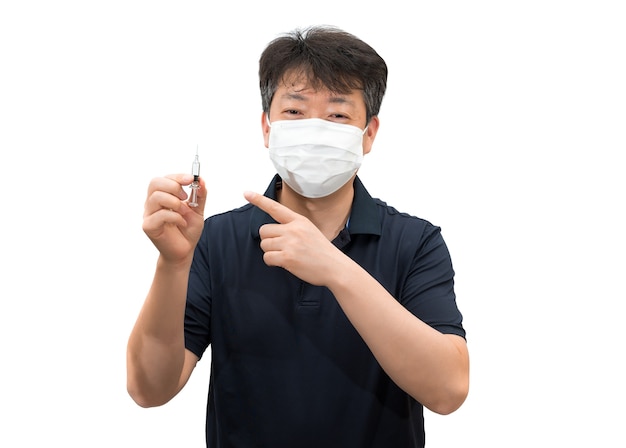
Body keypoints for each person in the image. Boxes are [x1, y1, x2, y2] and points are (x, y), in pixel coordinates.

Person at [127, 25, 469, 447]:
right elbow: (150, 389)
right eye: (295, 111)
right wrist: (172, 264)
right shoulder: (217, 240)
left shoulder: (414, 243)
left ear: (370, 134)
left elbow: (449, 390)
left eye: (338, 115)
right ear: (268, 127)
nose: (316, 129)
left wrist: (336, 269)